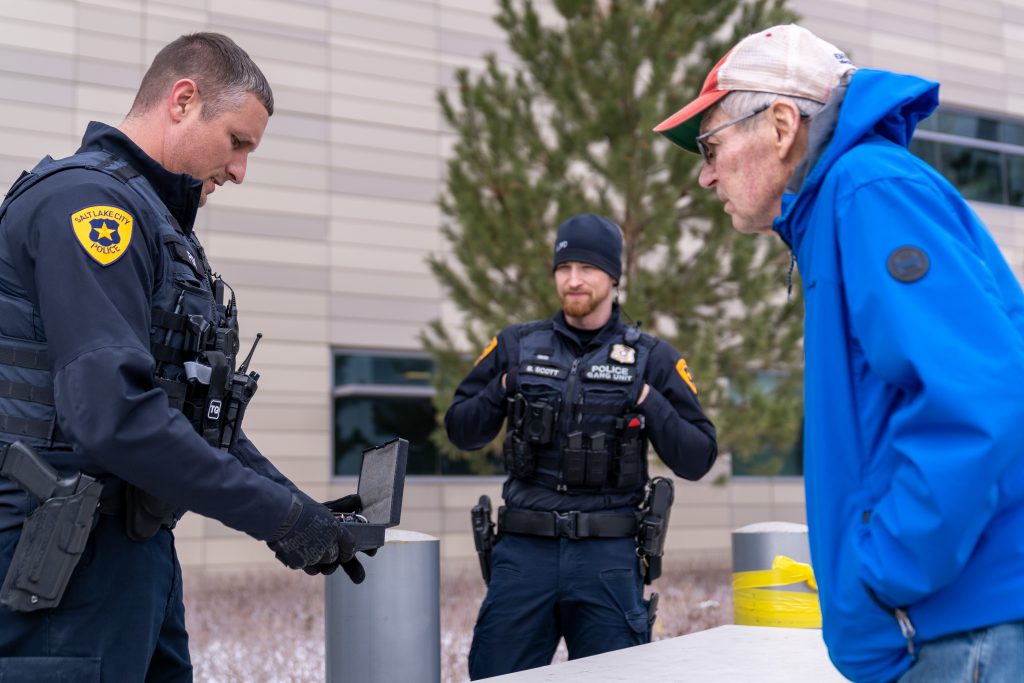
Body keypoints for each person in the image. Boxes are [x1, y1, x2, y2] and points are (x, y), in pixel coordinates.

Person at [654, 23, 1024, 683]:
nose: (706, 176)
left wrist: (885, 572)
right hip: (944, 626)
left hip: (955, 627)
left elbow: (977, 397)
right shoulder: (843, 203)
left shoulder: (867, 190)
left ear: (781, 124)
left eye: (710, 146)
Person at [0, 33, 367, 681]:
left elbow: (201, 423)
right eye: (237, 142)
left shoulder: (161, 229)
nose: (239, 171)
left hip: (132, 558)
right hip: (59, 568)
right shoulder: (88, 207)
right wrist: (276, 517)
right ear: (183, 100)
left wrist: (300, 507)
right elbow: (117, 418)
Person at [446, 213, 718, 679]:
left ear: (613, 276)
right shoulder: (515, 345)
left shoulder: (652, 357)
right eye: (564, 268)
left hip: (607, 558)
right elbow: (461, 429)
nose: (573, 281)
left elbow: (698, 457)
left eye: (587, 268)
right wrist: (504, 385)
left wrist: (649, 401)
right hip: (524, 553)